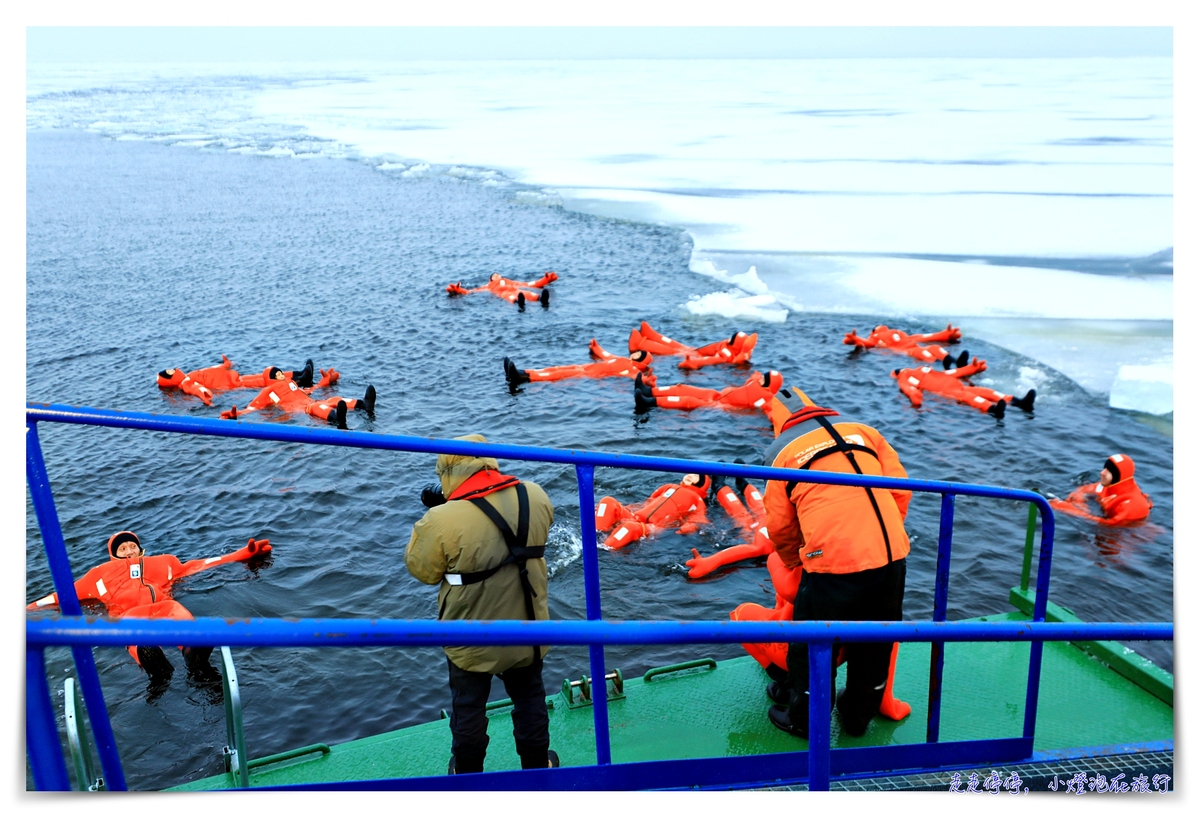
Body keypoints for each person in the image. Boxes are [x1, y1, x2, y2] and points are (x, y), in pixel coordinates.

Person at [759, 383, 913, 738]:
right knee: (876, 642)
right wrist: (882, 536)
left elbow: (780, 526)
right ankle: (858, 717)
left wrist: (794, 559)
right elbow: (902, 488)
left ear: (779, 422)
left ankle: (805, 721)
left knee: (811, 644)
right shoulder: (865, 432)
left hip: (833, 563)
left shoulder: (782, 455)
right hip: (891, 554)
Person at [405, 434, 559, 774]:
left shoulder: (440, 519)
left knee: (468, 706)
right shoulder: (535, 494)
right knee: (530, 698)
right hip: (528, 625)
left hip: (471, 631)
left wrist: (441, 516)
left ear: (446, 472)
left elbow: (423, 571)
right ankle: (537, 767)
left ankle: (467, 773)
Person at [27, 530, 272, 682]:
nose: (129, 550)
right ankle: (153, 663)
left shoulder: (164, 563)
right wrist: (25, 611)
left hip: (165, 605)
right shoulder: (98, 575)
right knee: (134, 635)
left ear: (140, 547)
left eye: (132, 545)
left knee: (179, 614)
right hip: (129, 614)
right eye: (122, 548)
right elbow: (58, 597)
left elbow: (201, 564)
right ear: (113, 554)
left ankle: (192, 650)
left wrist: (242, 554)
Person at [219, 367, 376, 429]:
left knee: (333, 399)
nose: (281, 375)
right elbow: (254, 407)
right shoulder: (267, 392)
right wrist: (237, 414)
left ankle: (364, 405)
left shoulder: (291, 383)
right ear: (271, 378)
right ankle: (337, 418)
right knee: (316, 408)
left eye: (280, 373)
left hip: (309, 401)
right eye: (277, 374)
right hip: (301, 409)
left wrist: (323, 382)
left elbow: (308, 390)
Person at [595, 473, 713, 549]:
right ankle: (597, 533)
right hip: (636, 516)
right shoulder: (668, 487)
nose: (691, 475)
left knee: (630, 527)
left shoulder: (697, 500)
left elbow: (699, 519)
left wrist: (689, 527)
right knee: (607, 501)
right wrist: (628, 509)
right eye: (691, 472)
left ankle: (603, 549)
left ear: (701, 482)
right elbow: (649, 502)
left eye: (696, 475)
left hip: (655, 526)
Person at [892, 359, 1036, 417]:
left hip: (957, 385)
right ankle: (993, 409)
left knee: (984, 391)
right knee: (971, 397)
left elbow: (948, 373)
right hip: (947, 392)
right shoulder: (904, 379)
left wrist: (970, 368)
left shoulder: (921, 370)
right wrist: (915, 397)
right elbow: (909, 390)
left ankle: (1019, 402)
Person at [157, 357, 315, 405]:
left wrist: (226, 365)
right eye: (170, 372)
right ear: (170, 379)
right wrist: (205, 396)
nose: (173, 369)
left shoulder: (189, 375)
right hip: (233, 384)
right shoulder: (186, 383)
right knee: (263, 381)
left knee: (263, 376)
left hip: (235, 377)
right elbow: (197, 389)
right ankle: (300, 380)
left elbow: (212, 369)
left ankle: (299, 374)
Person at [1049, 453, 1154, 525]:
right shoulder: (1108, 486)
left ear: (1119, 477)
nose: (1102, 473)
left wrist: (1066, 508)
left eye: (1109, 471)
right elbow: (1084, 489)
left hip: (1131, 532)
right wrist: (1078, 501)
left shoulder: (1131, 505)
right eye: (1104, 468)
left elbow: (1109, 525)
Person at [504, 341, 652, 388]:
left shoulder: (632, 368)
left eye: (639, 354)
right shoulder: (622, 359)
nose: (635, 353)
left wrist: (646, 380)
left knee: (559, 374)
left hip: (588, 374)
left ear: (641, 360)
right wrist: (596, 347)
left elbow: (636, 376)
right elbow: (605, 355)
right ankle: (523, 371)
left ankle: (523, 377)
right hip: (584, 367)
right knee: (557, 368)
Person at [634, 370, 783, 416]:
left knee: (688, 400)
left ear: (770, 383)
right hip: (717, 395)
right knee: (685, 388)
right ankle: (649, 391)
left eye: (766, 378)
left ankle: (648, 402)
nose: (762, 378)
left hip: (723, 407)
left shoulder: (767, 399)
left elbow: (771, 413)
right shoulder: (755, 381)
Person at [844, 323, 968, 369]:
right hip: (907, 351)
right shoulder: (877, 338)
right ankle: (950, 365)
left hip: (912, 348)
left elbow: (922, 337)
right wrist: (855, 339)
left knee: (933, 348)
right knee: (931, 350)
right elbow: (923, 337)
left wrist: (944, 334)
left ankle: (956, 362)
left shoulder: (892, 335)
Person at [446, 271, 557, 308]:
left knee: (528, 293)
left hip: (514, 289)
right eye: (494, 275)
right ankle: (519, 302)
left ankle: (541, 299)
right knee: (510, 297)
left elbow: (529, 284)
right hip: (502, 292)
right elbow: (471, 292)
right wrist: (458, 290)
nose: (497, 275)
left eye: (498, 274)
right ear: (490, 279)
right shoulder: (488, 286)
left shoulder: (510, 281)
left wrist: (545, 280)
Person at [677, 331, 758, 370]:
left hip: (694, 351)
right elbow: (709, 360)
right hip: (695, 354)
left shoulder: (730, 347)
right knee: (678, 352)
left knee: (681, 349)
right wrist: (691, 362)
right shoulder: (726, 355)